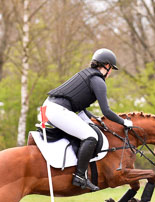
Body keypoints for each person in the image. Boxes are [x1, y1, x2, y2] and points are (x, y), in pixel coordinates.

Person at [43, 48, 132, 191]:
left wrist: (94, 118)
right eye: (111, 69)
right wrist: (124, 122)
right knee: (90, 136)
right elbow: (107, 111)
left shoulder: (87, 75)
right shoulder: (98, 80)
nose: (110, 73)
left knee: (89, 130)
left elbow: (81, 107)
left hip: (51, 108)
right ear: (107, 66)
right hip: (58, 110)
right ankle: (79, 176)